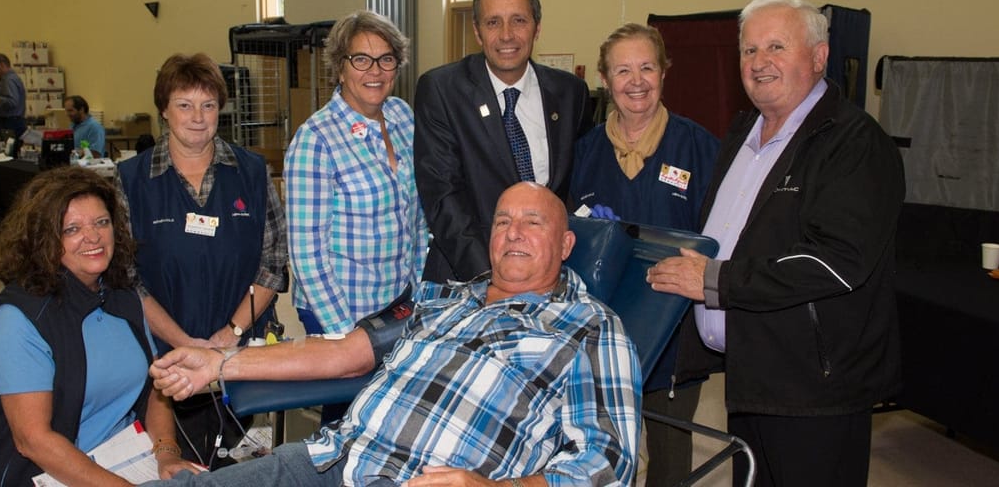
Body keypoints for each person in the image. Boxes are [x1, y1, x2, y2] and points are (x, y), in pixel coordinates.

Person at [146, 183, 642, 487]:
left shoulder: (591, 329)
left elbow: (607, 467)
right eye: (502, 221)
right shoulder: (438, 298)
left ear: (567, 243)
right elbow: (345, 354)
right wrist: (221, 362)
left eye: (532, 222)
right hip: (332, 459)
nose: (513, 232)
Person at [647, 0, 905, 487]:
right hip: (752, 377)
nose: (759, 63)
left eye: (776, 47)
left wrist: (714, 280)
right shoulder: (744, 130)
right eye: (748, 50)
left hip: (813, 388)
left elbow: (836, 262)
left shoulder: (854, 143)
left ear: (819, 57)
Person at [0, 166, 200, 486]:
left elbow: (154, 388)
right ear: (44, 239)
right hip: (40, 474)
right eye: (72, 229)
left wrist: (167, 453)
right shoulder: (17, 321)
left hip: (121, 456)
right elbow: (33, 441)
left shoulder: (122, 295)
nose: (93, 237)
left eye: (101, 222)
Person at [115, 52, 288, 465]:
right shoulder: (132, 180)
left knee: (244, 461)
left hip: (241, 348)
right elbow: (126, 277)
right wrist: (185, 343)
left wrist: (227, 337)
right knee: (175, 463)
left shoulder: (251, 171)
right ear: (164, 110)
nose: (197, 117)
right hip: (164, 357)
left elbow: (274, 261)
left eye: (208, 105)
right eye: (184, 105)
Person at [569, 23, 720, 487]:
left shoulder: (699, 148)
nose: (636, 81)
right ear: (605, 78)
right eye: (622, 70)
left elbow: (720, 235)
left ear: (664, 72)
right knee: (601, 451)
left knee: (670, 455)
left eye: (647, 67)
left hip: (673, 331)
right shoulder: (584, 152)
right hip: (601, 333)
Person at [414, 0, 591, 283]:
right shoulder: (442, 90)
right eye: (493, 22)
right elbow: (442, 195)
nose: (506, 35)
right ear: (478, 31)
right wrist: (489, 278)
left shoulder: (570, 93)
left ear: (537, 27)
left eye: (519, 20)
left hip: (546, 277)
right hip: (469, 275)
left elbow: (574, 189)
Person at [285, 10, 428, 336]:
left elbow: (417, 219)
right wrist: (345, 334)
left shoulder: (403, 117)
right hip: (341, 311)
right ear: (340, 68)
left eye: (386, 59)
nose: (375, 71)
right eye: (361, 60)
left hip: (399, 301)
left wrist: (418, 288)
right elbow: (307, 257)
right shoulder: (315, 141)